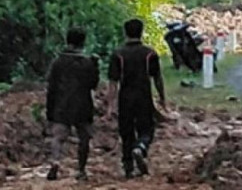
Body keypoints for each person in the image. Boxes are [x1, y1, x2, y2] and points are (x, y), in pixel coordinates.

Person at [107, 19, 166, 178]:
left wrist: (110, 105)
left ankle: (128, 167)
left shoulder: (118, 54)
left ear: (125, 33)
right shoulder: (149, 53)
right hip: (144, 96)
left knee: (126, 131)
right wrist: (162, 98)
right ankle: (140, 147)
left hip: (125, 98)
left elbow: (113, 82)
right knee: (146, 129)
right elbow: (157, 78)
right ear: (142, 32)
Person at [45, 29, 99, 181]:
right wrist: (95, 67)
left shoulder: (58, 62)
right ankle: (81, 170)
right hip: (83, 104)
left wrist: (50, 110)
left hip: (61, 103)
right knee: (84, 138)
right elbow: (93, 85)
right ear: (83, 42)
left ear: (67, 41)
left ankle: (55, 162)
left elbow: (51, 87)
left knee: (58, 137)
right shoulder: (87, 62)